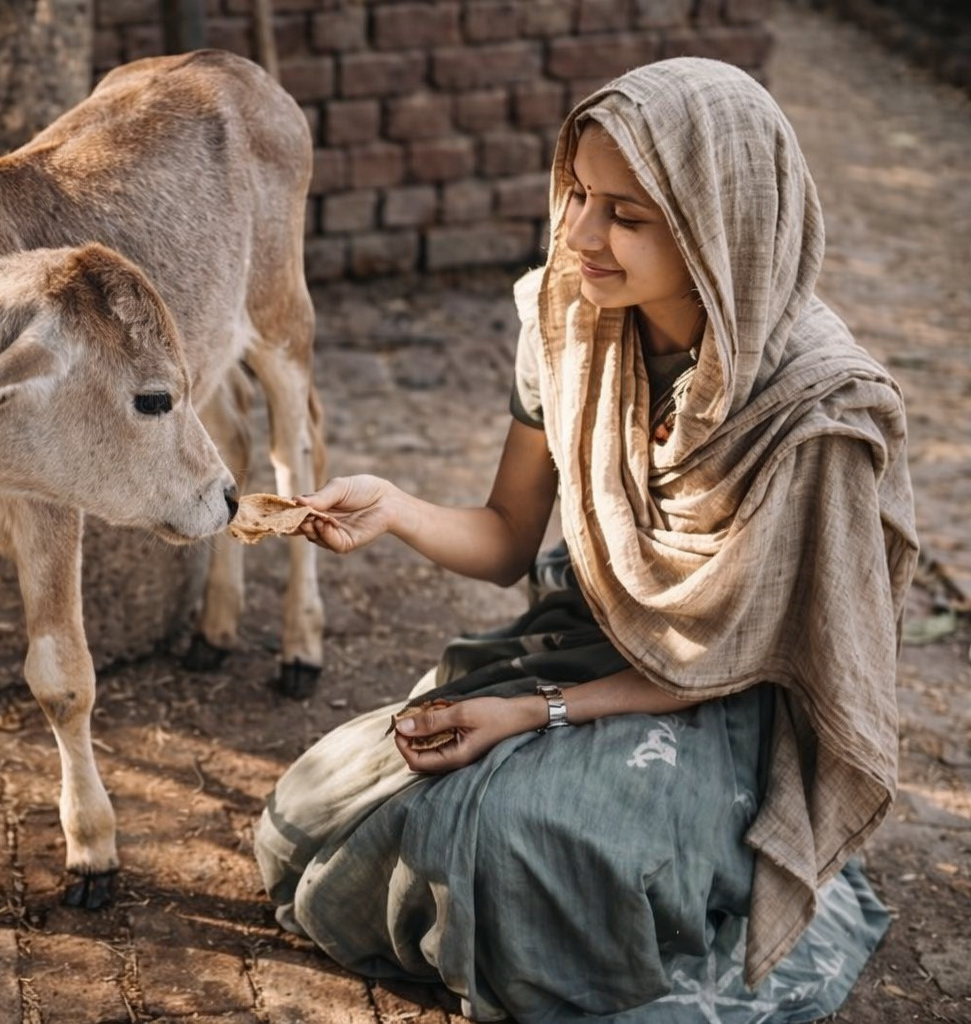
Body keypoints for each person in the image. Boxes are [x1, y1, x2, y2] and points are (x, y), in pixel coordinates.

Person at [254, 57, 917, 1023]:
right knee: (314, 813)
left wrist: (533, 716)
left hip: (728, 699)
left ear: (714, 228)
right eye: (577, 195)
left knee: (522, 843)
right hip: (585, 632)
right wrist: (393, 506)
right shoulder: (572, 325)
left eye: (627, 216)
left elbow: (739, 651)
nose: (579, 234)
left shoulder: (814, 410)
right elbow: (506, 538)